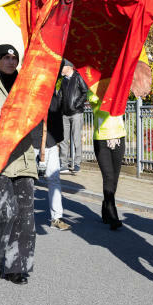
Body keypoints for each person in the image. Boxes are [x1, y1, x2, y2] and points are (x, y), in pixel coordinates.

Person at [0, 44, 36, 285]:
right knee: (6, 209)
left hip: (22, 156)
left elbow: (36, 116)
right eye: (6, 58)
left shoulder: (27, 86)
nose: (11, 62)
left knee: (25, 215)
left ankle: (17, 267)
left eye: (14, 58)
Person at [30, 81, 70, 231]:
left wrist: (56, 140)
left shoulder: (54, 96)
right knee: (27, 181)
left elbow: (59, 114)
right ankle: (24, 216)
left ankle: (57, 217)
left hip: (50, 143)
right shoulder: (29, 95)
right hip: (31, 143)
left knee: (54, 179)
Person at [88, 91, 125, 230]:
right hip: (102, 139)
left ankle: (106, 207)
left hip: (119, 137)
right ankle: (112, 213)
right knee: (108, 177)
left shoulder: (119, 86)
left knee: (114, 178)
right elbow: (93, 101)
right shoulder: (94, 88)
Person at [59, 60, 87, 174]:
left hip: (76, 113)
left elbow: (85, 92)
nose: (60, 69)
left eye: (62, 67)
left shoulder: (78, 77)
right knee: (63, 140)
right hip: (65, 114)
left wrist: (77, 105)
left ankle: (77, 164)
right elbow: (60, 96)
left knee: (76, 139)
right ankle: (64, 164)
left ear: (69, 67)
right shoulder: (63, 81)